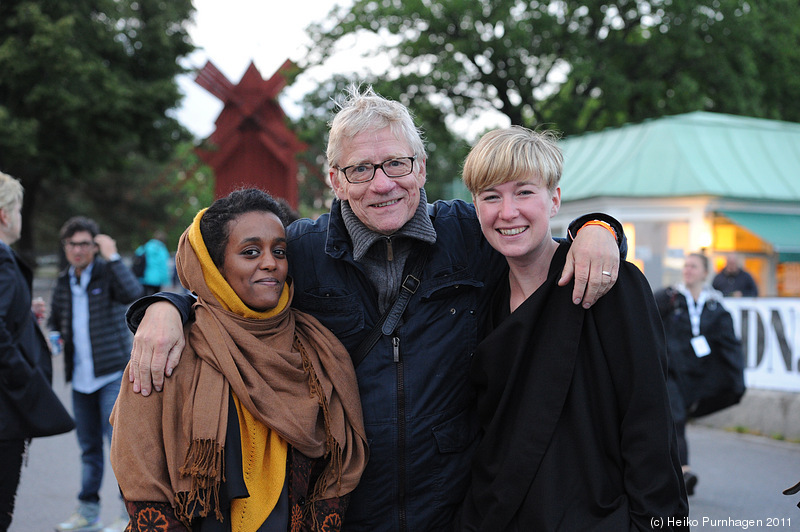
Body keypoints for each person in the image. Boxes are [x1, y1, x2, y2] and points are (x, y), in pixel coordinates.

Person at [125, 86, 625, 530]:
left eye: (396, 164)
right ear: (336, 180)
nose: (382, 183)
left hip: (452, 502)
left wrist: (600, 229)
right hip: (344, 504)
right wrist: (166, 306)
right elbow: (227, 289)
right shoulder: (302, 249)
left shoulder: (470, 235)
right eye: (360, 169)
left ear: (421, 167)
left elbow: (531, 232)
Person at [456, 127, 688, 530]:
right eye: (491, 197)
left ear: (555, 199)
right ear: (475, 207)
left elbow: (649, 422)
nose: (507, 212)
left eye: (524, 192)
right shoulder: (477, 299)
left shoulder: (612, 284)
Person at [110, 189, 368, 530]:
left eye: (279, 251)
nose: (270, 263)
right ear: (215, 267)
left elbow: (338, 474)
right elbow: (140, 475)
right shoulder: (168, 347)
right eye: (250, 252)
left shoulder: (318, 348)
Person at [49, 216, 145, 532]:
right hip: (80, 379)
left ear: (95, 246)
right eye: (73, 244)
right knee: (89, 449)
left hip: (110, 376)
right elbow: (55, 320)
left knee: (118, 447)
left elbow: (134, 292)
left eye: (85, 244)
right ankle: (88, 511)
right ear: (65, 247)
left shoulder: (107, 273)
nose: (78, 250)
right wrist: (53, 334)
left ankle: (128, 513)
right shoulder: (64, 281)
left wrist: (113, 255)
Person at [0, 172, 74, 532]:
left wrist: (24, 316)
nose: (19, 218)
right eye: (17, 210)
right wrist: (25, 381)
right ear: (4, 215)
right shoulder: (2, 260)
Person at [655, 252, 745, 497]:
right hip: (670, 371)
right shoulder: (668, 297)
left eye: (694, 266)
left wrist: (737, 381)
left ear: (705, 272)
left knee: (675, 422)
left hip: (696, 374)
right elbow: (648, 326)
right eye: (685, 266)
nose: (688, 270)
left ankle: (670, 473)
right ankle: (684, 471)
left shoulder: (715, 304)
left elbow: (728, 343)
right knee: (676, 419)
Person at [134, 230, 172, 296]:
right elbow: (164, 266)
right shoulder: (163, 250)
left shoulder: (146, 246)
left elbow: (137, 255)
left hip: (145, 277)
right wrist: (166, 280)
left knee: (144, 298)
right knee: (155, 298)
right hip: (158, 280)